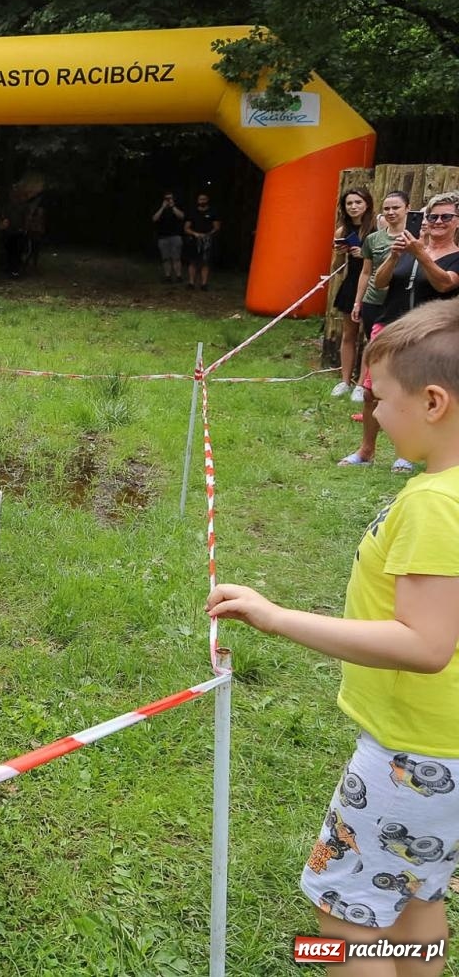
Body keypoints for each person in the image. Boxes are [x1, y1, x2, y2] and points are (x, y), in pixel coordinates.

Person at [208, 299, 459, 974]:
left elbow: (427, 644)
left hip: (413, 758)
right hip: (447, 761)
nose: (371, 413)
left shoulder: (437, 503)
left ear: (433, 402)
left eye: (381, 399)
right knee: (417, 891)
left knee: (345, 916)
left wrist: (276, 616)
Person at [341, 192, 459, 473]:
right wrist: (394, 257)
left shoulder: (455, 256)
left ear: (457, 222)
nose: (438, 221)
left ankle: (408, 452)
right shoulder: (408, 249)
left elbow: (445, 285)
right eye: (432, 217)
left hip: (430, 334)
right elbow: (380, 283)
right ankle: (366, 450)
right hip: (390, 325)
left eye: (446, 216)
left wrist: (421, 255)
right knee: (372, 391)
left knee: (417, 394)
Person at [330, 187, 375, 400]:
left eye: (358, 202)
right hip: (351, 283)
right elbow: (337, 266)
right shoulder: (342, 230)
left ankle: (361, 384)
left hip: (373, 284)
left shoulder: (376, 227)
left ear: (367, 204)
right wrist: (340, 253)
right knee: (349, 334)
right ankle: (344, 381)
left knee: (369, 335)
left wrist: (364, 254)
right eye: (349, 203)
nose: (353, 207)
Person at [183, 192, 221, 291]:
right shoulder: (192, 212)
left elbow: (216, 227)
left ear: (207, 200)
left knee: (205, 262)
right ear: (197, 201)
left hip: (207, 240)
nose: (202, 201)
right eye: (200, 199)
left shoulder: (213, 212)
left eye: (204, 199)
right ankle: (191, 283)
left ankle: (204, 284)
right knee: (193, 262)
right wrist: (195, 234)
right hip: (194, 240)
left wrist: (208, 235)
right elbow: (186, 228)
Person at [152, 191, 185, 283]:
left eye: (170, 198)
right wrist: (162, 207)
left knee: (176, 257)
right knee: (165, 258)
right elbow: (154, 219)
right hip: (162, 237)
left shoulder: (176, 206)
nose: (168, 200)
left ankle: (178, 276)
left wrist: (173, 206)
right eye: (166, 198)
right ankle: (168, 276)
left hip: (176, 236)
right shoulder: (160, 207)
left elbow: (182, 216)